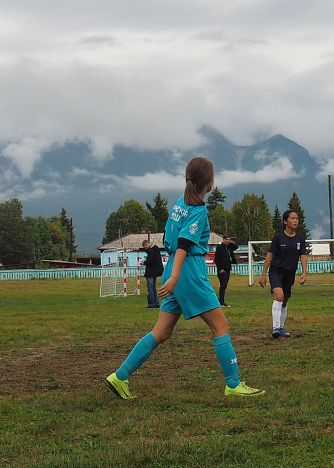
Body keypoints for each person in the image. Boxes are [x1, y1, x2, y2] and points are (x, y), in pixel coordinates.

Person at [105, 157, 264, 399]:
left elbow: (170, 240)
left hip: (173, 268)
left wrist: (171, 274)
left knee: (161, 332)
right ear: (209, 182)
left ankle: (120, 376)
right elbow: (183, 244)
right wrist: (176, 276)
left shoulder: (180, 202)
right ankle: (233, 384)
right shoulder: (198, 210)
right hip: (187, 271)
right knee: (220, 325)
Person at [259, 209, 308, 338]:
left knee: (285, 300)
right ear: (285, 221)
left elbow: (303, 256)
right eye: (292, 218)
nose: (295, 221)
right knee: (279, 297)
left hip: (290, 273)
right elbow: (269, 255)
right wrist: (263, 275)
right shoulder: (278, 238)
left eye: (296, 218)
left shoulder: (300, 239)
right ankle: (275, 328)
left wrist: (304, 272)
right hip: (276, 271)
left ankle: (281, 327)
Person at [213, 235, 238, 307]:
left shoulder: (229, 247)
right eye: (226, 239)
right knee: (223, 285)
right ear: (223, 239)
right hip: (222, 269)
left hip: (227, 268)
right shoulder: (220, 248)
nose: (228, 241)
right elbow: (217, 259)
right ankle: (221, 302)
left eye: (229, 240)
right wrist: (220, 269)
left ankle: (220, 301)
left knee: (225, 285)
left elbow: (236, 247)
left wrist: (230, 243)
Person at [141, 239, 164, 309]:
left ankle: (151, 303)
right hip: (156, 272)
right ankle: (156, 303)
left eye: (144, 247)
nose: (145, 249)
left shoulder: (151, 251)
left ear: (146, 244)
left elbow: (150, 261)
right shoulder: (156, 250)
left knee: (150, 288)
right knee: (154, 288)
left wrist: (144, 262)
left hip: (151, 272)